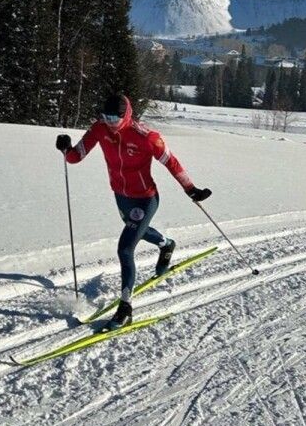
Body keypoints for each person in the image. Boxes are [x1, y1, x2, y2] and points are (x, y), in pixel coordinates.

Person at [56, 93, 211, 330]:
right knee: (138, 230)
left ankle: (126, 308)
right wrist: (66, 149)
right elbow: (76, 156)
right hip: (121, 196)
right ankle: (166, 244)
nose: (109, 122)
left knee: (125, 248)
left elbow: (172, 162)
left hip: (145, 199)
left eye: (115, 118)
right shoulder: (99, 129)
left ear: (126, 115)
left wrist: (191, 189)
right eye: (106, 117)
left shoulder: (146, 137)